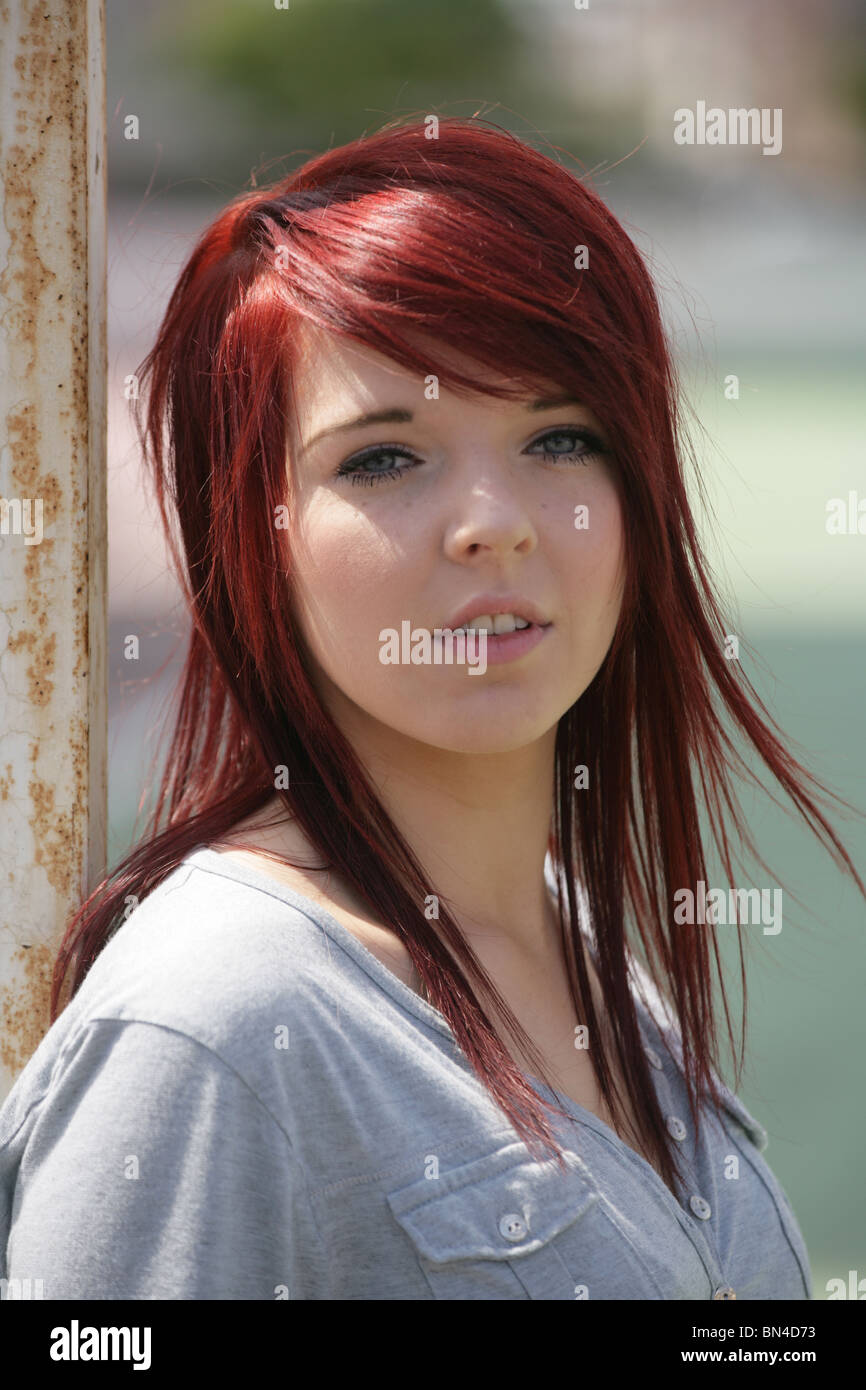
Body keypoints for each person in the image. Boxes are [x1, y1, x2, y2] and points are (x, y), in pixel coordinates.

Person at [1, 116, 863, 1301]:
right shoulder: (215, 1024)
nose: (492, 520)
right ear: (254, 534)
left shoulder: (576, 935)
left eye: (559, 436)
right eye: (383, 458)